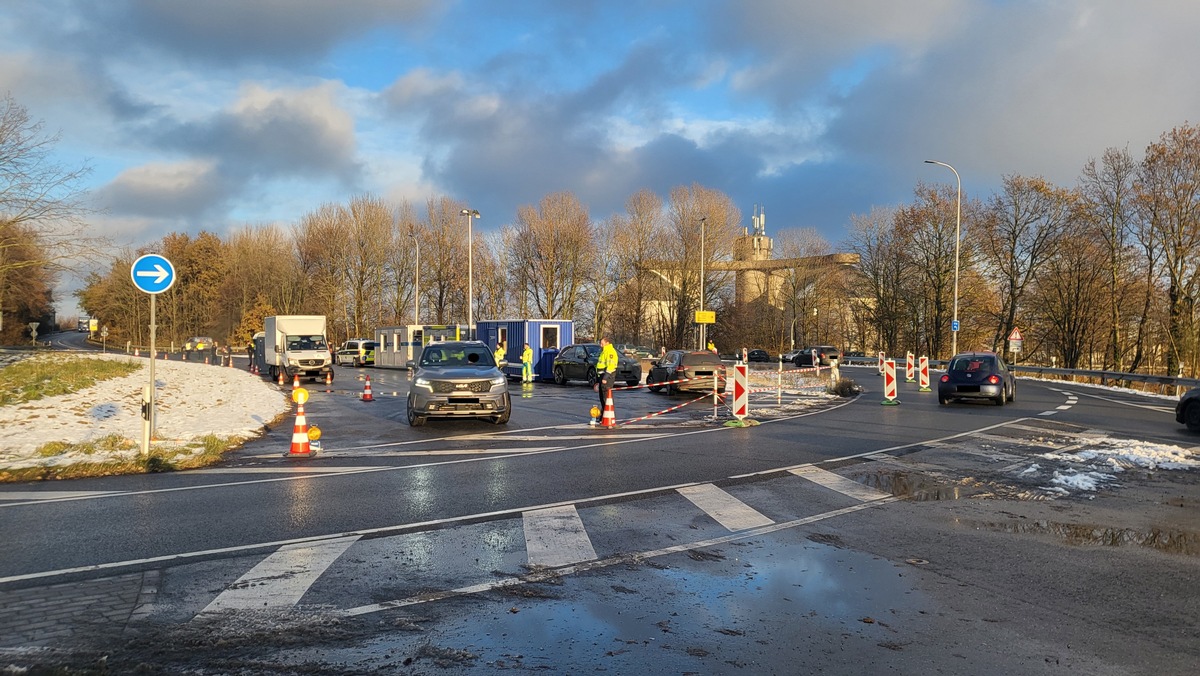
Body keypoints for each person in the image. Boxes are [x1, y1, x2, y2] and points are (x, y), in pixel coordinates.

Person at [593, 336, 620, 425]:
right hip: (602, 377)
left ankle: (605, 416)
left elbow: (611, 366)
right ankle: (603, 416)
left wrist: (605, 378)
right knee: (602, 397)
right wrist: (598, 380)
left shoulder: (610, 352)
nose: (601, 345)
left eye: (602, 343)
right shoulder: (604, 351)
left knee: (605, 397)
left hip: (607, 377)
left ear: (607, 343)